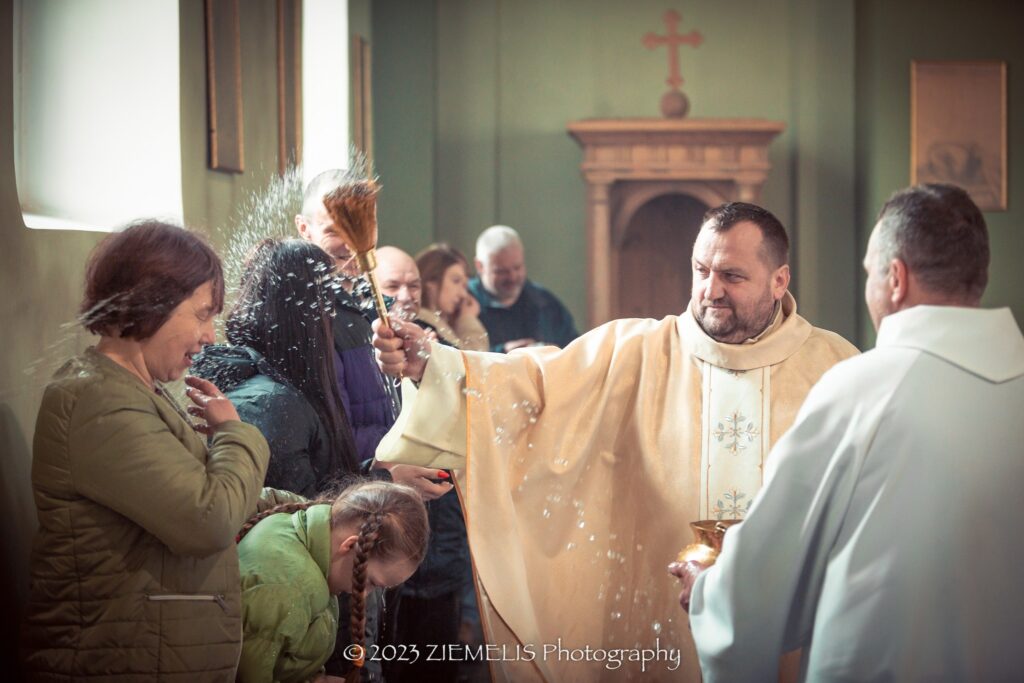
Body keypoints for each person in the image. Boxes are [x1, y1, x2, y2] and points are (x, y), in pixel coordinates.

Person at [372, 203, 859, 681]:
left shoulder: (834, 369)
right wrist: (432, 363)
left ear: (779, 280)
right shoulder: (636, 351)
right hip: (660, 617)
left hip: (789, 618)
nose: (711, 290)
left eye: (732, 276)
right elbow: (533, 386)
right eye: (700, 270)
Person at [676, 184, 1024, 681]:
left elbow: (767, 576)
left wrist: (710, 589)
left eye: (869, 274)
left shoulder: (862, 388)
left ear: (896, 279)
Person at [21, 221, 271, 680]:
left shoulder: (136, 390)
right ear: (149, 300)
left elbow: (212, 494)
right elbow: (208, 518)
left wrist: (328, 511)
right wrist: (236, 433)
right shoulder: (97, 401)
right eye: (201, 314)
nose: (211, 335)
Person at [374, 244, 476, 683]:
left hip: (443, 524)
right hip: (388, 526)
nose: (407, 295)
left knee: (436, 660)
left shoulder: (436, 344)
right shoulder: (362, 352)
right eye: (392, 285)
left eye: (414, 284)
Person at [192, 239, 361, 498]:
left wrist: (378, 472)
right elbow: (298, 517)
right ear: (308, 316)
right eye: (328, 300)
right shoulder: (272, 403)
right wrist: (384, 478)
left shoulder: (280, 386)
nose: (335, 315)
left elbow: (318, 484)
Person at [236, 480, 429, 683]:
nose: (364, 594)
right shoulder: (287, 591)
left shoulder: (305, 524)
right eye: (371, 582)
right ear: (351, 545)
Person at [469, 225, 578, 352]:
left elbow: (573, 351)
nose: (512, 277)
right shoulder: (463, 302)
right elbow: (455, 358)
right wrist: (503, 352)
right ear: (480, 266)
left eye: (517, 267)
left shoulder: (544, 303)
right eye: (501, 271)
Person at [416, 243, 490, 351]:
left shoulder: (441, 322)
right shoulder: (425, 320)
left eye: (465, 286)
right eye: (456, 281)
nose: (463, 294)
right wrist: (468, 318)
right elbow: (472, 361)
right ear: (431, 281)